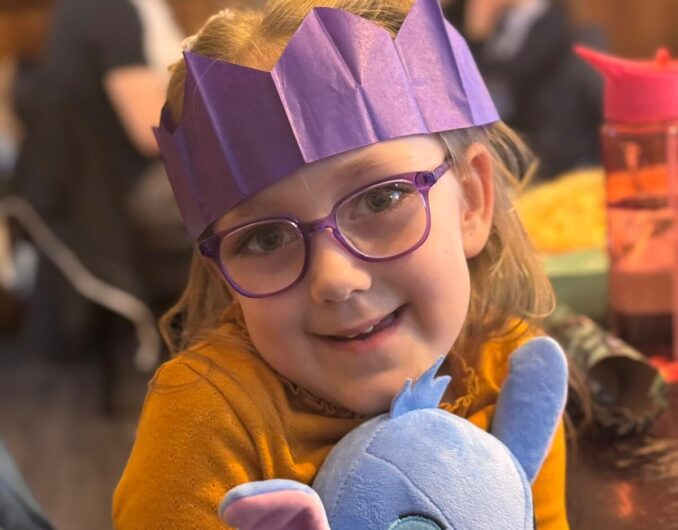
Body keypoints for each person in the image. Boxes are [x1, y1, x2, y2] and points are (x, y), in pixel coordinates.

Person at [113, 0, 566, 528]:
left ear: (471, 199)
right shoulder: (206, 428)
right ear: (224, 276)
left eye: (380, 200)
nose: (335, 279)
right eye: (263, 239)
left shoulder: (513, 372)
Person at [444, 0, 603, 180]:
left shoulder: (554, 23)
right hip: (508, 148)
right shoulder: (499, 20)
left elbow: (497, 91)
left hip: (546, 157)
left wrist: (477, 38)